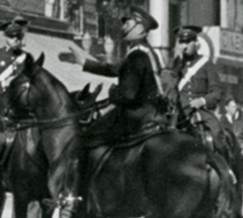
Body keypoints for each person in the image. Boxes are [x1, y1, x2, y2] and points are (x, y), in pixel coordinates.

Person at [60, 8, 167, 141]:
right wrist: (82, 62)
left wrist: (112, 93)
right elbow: (114, 69)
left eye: (127, 24)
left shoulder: (137, 56)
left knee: (89, 134)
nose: (123, 27)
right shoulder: (146, 52)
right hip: (151, 111)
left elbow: (128, 96)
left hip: (137, 114)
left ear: (140, 29)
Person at [171, 26, 225, 146]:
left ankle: (223, 163)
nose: (185, 46)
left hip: (201, 112)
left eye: (188, 42)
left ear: (196, 43)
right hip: (179, 113)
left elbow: (217, 92)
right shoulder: (175, 66)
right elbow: (167, 88)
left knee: (217, 135)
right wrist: (177, 64)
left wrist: (202, 100)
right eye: (181, 42)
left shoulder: (206, 63)